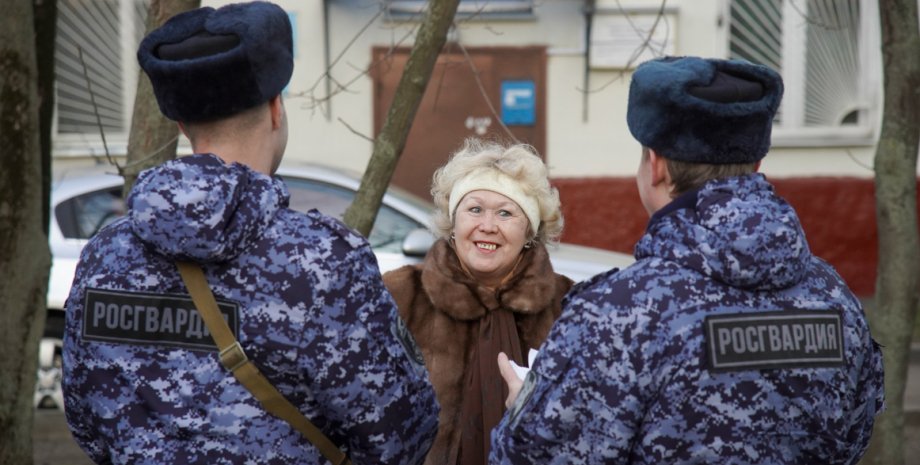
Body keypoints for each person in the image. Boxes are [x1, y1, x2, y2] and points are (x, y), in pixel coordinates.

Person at [61, 2, 438, 464]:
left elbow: (84, 416)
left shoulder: (105, 256)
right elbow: (402, 433)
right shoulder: (325, 263)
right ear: (276, 108)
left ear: (181, 124)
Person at [490, 56, 885, 464]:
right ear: (756, 164)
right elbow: (854, 438)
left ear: (656, 165)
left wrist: (527, 410)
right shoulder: (836, 299)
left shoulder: (618, 314)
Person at [383, 139, 573, 465]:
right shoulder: (400, 295)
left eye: (505, 213)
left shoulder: (568, 306)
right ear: (453, 223)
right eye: (474, 210)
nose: (487, 226)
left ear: (530, 230)